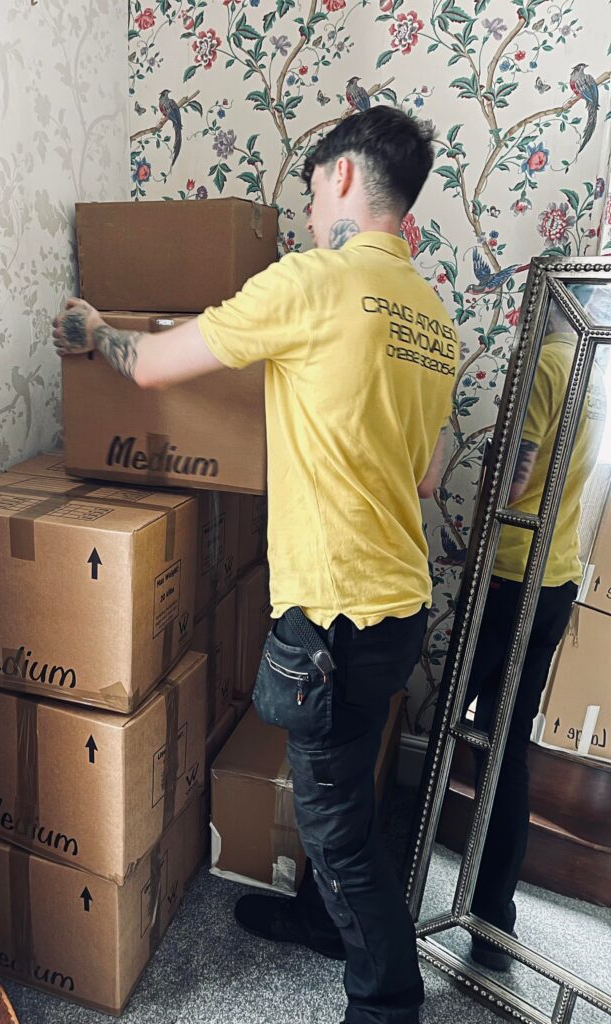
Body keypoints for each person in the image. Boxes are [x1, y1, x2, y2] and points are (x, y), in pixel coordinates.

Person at [53, 106, 459, 1024]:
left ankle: (388, 1001)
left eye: (314, 190)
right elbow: (430, 477)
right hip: (400, 600)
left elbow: (152, 364)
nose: (311, 211)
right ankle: (322, 921)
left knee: (335, 827)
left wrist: (90, 331)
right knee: (346, 785)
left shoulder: (313, 283)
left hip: (338, 609)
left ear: (345, 178)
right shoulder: (434, 319)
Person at [465, 297, 607, 971]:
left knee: (450, 724)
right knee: (506, 744)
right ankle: (495, 919)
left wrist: (481, 506)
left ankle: (439, 895)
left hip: (515, 576)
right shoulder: (588, 372)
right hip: (554, 578)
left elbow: (516, 478)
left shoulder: (550, 364)